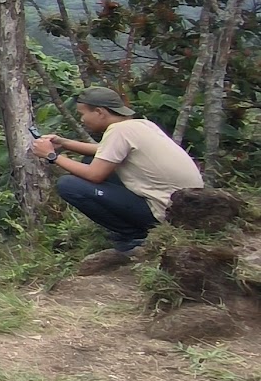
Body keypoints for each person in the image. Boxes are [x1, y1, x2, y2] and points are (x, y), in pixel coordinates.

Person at [30, 86, 203, 255]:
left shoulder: (118, 131)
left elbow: (94, 175)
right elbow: (103, 151)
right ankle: (135, 229)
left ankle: (135, 235)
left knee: (69, 185)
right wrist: (64, 143)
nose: (82, 119)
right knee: (90, 160)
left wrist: (52, 156)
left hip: (163, 211)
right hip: (184, 207)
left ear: (99, 112)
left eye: (82, 114)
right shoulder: (141, 124)